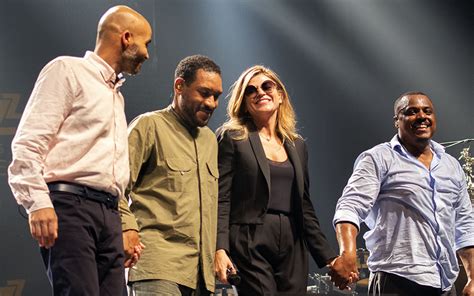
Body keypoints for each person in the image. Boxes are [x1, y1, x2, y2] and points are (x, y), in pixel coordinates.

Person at [7, 5, 152, 295]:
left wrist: (122, 224)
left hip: (108, 214)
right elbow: (28, 142)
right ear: (126, 38)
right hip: (71, 207)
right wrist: (38, 203)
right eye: (145, 43)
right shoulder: (67, 70)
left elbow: (111, 175)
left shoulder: (115, 95)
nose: (147, 54)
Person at [214, 65, 350, 295]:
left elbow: (304, 205)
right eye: (250, 90)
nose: (260, 92)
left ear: (280, 95)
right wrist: (220, 248)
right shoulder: (233, 137)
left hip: (292, 241)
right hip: (249, 238)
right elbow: (221, 198)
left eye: (267, 86)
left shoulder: (297, 145)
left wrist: (329, 257)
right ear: (244, 101)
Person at [333, 91, 474, 295]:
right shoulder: (378, 158)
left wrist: (472, 277)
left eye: (427, 111)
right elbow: (350, 207)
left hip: (444, 282)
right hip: (396, 279)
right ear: (396, 121)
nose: (422, 117)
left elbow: (464, 224)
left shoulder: (450, 165)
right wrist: (347, 253)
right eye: (411, 112)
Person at [119, 55, 223, 295]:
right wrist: (127, 228)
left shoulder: (210, 140)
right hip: (157, 268)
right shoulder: (148, 126)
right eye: (204, 93)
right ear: (179, 86)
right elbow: (113, 186)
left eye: (216, 96)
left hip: (201, 276)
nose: (211, 103)